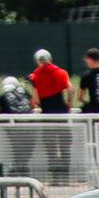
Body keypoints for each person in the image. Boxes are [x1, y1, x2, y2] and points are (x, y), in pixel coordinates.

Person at [29, 45, 73, 178]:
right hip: (61, 112)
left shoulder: (35, 76)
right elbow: (71, 90)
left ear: (37, 61)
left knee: (51, 147)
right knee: (65, 146)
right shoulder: (61, 72)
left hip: (47, 114)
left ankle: (55, 177)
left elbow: (36, 100)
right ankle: (65, 176)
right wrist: (69, 103)